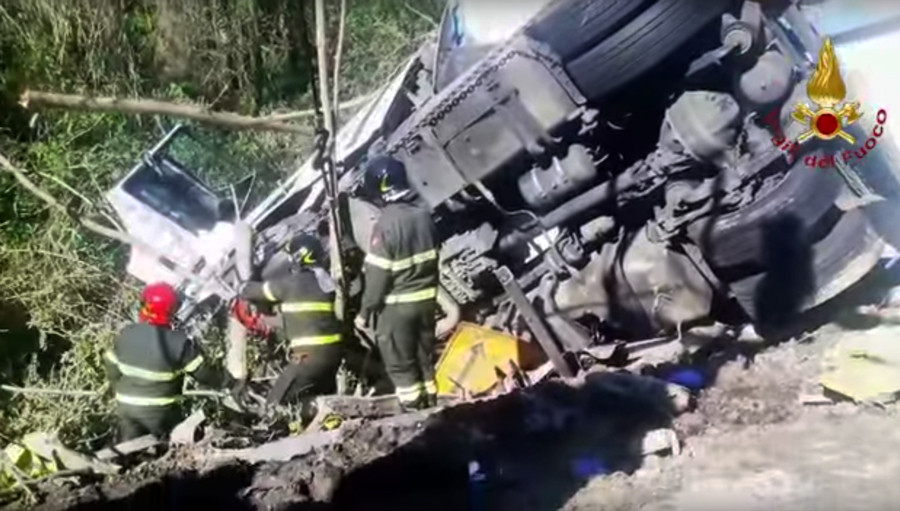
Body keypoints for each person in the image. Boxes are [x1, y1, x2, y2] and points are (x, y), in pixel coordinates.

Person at [354, 155, 439, 410]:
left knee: (402, 368)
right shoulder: (424, 216)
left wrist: (365, 313)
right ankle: (435, 408)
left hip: (397, 309)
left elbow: (378, 279)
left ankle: (417, 419)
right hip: (425, 303)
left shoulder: (386, 225)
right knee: (425, 363)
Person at [105, 282, 222, 441]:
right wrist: (229, 382)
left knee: (127, 448)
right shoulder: (179, 342)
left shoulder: (126, 334)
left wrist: (118, 387)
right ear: (171, 310)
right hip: (162, 412)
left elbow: (111, 369)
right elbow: (204, 375)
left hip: (126, 407)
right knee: (166, 449)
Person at [240, 233, 343, 405]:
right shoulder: (326, 282)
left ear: (297, 258)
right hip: (334, 355)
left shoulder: (290, 284)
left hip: (308, 359)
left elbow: (250, 291)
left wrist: (244, 282)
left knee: (274, 405)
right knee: (313, 396)